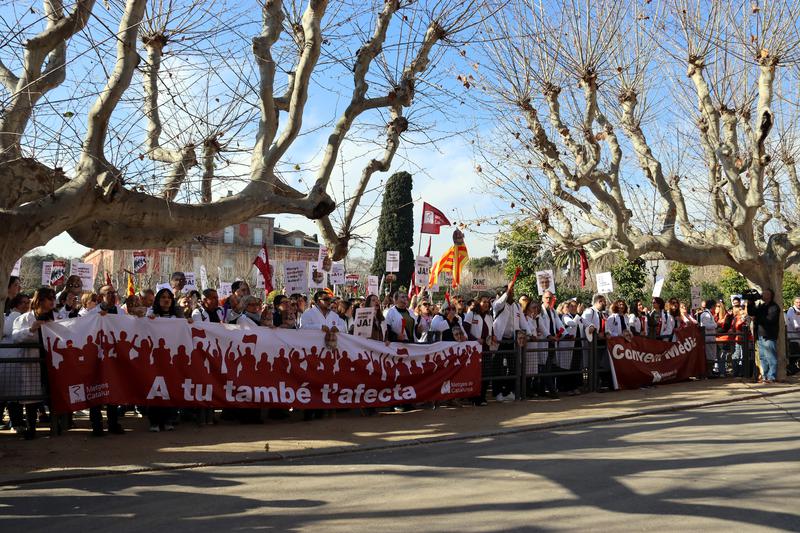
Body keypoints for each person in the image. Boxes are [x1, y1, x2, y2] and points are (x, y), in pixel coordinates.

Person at [11, 287, 57, 439]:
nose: (53, 301)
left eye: (53, 298)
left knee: (53, 394)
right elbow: (16, 337)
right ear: (40, 300)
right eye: (49, 298)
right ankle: (31, 429)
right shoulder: (24, 319)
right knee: (31, 396)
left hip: (51, 362)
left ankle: (56, 426)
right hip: (33, 362)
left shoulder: (57, 317)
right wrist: (31, 329)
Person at [492, 284, 527, 401]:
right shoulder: (498, 305)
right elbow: (498, 303)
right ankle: (497, 392)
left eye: (512, 291)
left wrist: (529, 333)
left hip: (513, 340)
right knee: (498, 367)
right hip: (499, 340)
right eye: (509, 292)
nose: (512, 293)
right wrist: (507, 292)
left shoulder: (517, 306)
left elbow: (523, 321)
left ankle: (509, 391)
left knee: (513, 367)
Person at [463, 295, 494, 406]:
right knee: (475, 373)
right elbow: (465, 330)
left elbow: (491, 330)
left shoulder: (489, 316)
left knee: (486, 373)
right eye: (483, 302)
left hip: (487, 348)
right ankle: (474, 397)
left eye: (487, 302)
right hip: (474, 349)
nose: (486, 304)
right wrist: (475, 340)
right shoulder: (471, 314)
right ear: (478, 303)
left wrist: (493, 337)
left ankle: (482, 396)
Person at [746, 289, 781, 383]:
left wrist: (756, 319)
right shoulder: (762, 306)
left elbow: (770, 319)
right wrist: (750, 302)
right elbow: (751, 313)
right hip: (760, 334)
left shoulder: (774, 307)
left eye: (765, 293)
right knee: (763, 357)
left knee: (770, 357)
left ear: (770, 295)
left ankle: (771, 377)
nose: (762, 295)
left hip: (769, 335)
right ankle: (765, 376)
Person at [698, 299, 719, 377]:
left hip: (711, 337)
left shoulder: (708, 314)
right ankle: (709, 372)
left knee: (712, 355)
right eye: (715, 306)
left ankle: (710, 371)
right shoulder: (706, 314)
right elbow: (705, 326)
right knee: (709, 355)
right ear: (712, 306)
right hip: (708, 338)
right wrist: (716, 325)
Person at [785, 296, 800, 375]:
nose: (799, 304)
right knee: (794, 354)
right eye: (797, 302)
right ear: (794, 303)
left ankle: (793, 368)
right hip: (793, 336)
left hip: (797, 336)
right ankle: (791, 369)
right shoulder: (791, 310)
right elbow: (796, 326)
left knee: (796, 354)